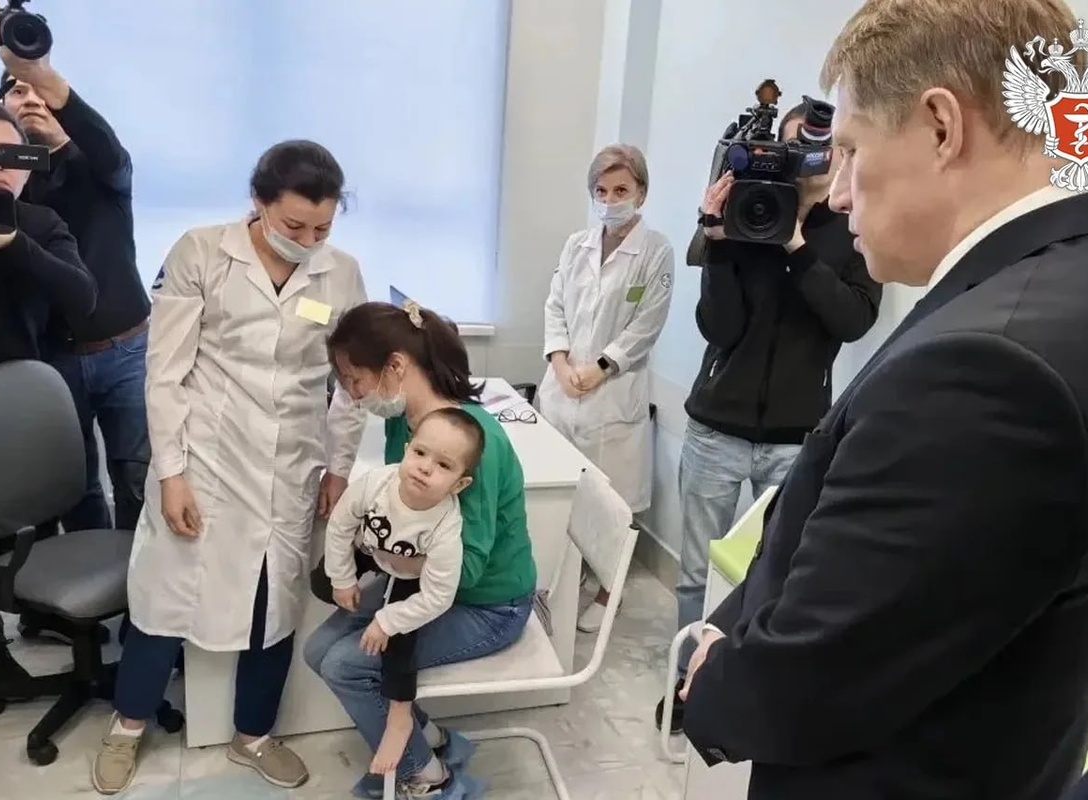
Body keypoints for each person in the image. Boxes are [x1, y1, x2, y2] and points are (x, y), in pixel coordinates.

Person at [680, 1, 1088, 798]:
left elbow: (808, 681)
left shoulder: (989, 369)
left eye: (850, 150)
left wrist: (710, 677)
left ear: (942, 127)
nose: (839, 193)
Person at [90, 140, 368, 795]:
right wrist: (171, 474)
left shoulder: (341, 273)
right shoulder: (202, 252)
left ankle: (253, 736)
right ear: (259, 202)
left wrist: (338, 467)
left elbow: (350, 385)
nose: (308, 241)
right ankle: (128, 725)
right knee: (167, 599)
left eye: (322, 229)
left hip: (289, 466)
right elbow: (165, 373)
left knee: (273, 608)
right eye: (294, 225)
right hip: (206, 460)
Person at [659, 99, 882, 731]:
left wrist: (797, 247)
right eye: (791, 149)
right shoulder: (746, 215)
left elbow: (853, 319)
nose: (807, 161)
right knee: (696, 573)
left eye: (819, 149)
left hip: (796, 438)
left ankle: (743, 688)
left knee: (774, 574)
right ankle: (688, 686)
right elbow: (719, 328)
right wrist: (719, 241)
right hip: (715, 429)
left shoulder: (853, 229)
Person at [306, 300, 538, 798]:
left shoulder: (471, 442)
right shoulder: (404, 425)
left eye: (356, 380)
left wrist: (380, 553)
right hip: (418, 584)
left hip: (487, 604)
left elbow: (463, 572)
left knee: (347, 664)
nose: (354, 395)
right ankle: (431, 739)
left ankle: (429, 778)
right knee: (318, 651)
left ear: (395, 366)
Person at [0, 35, 152, 534]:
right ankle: (87, 570)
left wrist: (41, 75)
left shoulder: (100, 170)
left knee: (138, 475)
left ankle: (139, 573)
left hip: (126, 351)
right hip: (52, 356)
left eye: (42, 93)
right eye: (18, 91)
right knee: (75, 485)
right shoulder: (3, 186)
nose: (32, 98)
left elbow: (105, 145)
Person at [0, 101, 95, 709]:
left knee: (22, 521)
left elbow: (82, 298)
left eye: (9, 155)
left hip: (15, 408)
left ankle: (38, 613)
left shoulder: (41, 224)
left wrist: (13, 243)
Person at [539, 143, 674, 633]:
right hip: (563, 390)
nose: (610, 199)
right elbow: (555, 305)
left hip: (613, 394)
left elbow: (646, 325)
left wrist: (600, 367)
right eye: (601, 190)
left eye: (621, 190)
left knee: (615, 503)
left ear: (641, 193)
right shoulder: (576, 244)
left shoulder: (656, 251)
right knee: (565, 493)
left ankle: (606, 589)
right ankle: (572, 572)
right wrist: (559, 362)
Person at [321, 406, 483, 777]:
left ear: (459, 484)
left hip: (410, 576)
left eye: (443, 465)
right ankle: (423, 732)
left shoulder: (446, 527)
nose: (425, 468)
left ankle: (400, 717)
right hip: (371, 548)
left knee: (399, 645)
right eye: (420, 453)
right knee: (322, 583)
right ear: (407, 450)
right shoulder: (378, 482)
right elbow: (341, 524)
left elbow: (439, 595)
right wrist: (341, 578)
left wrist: (388, 621)